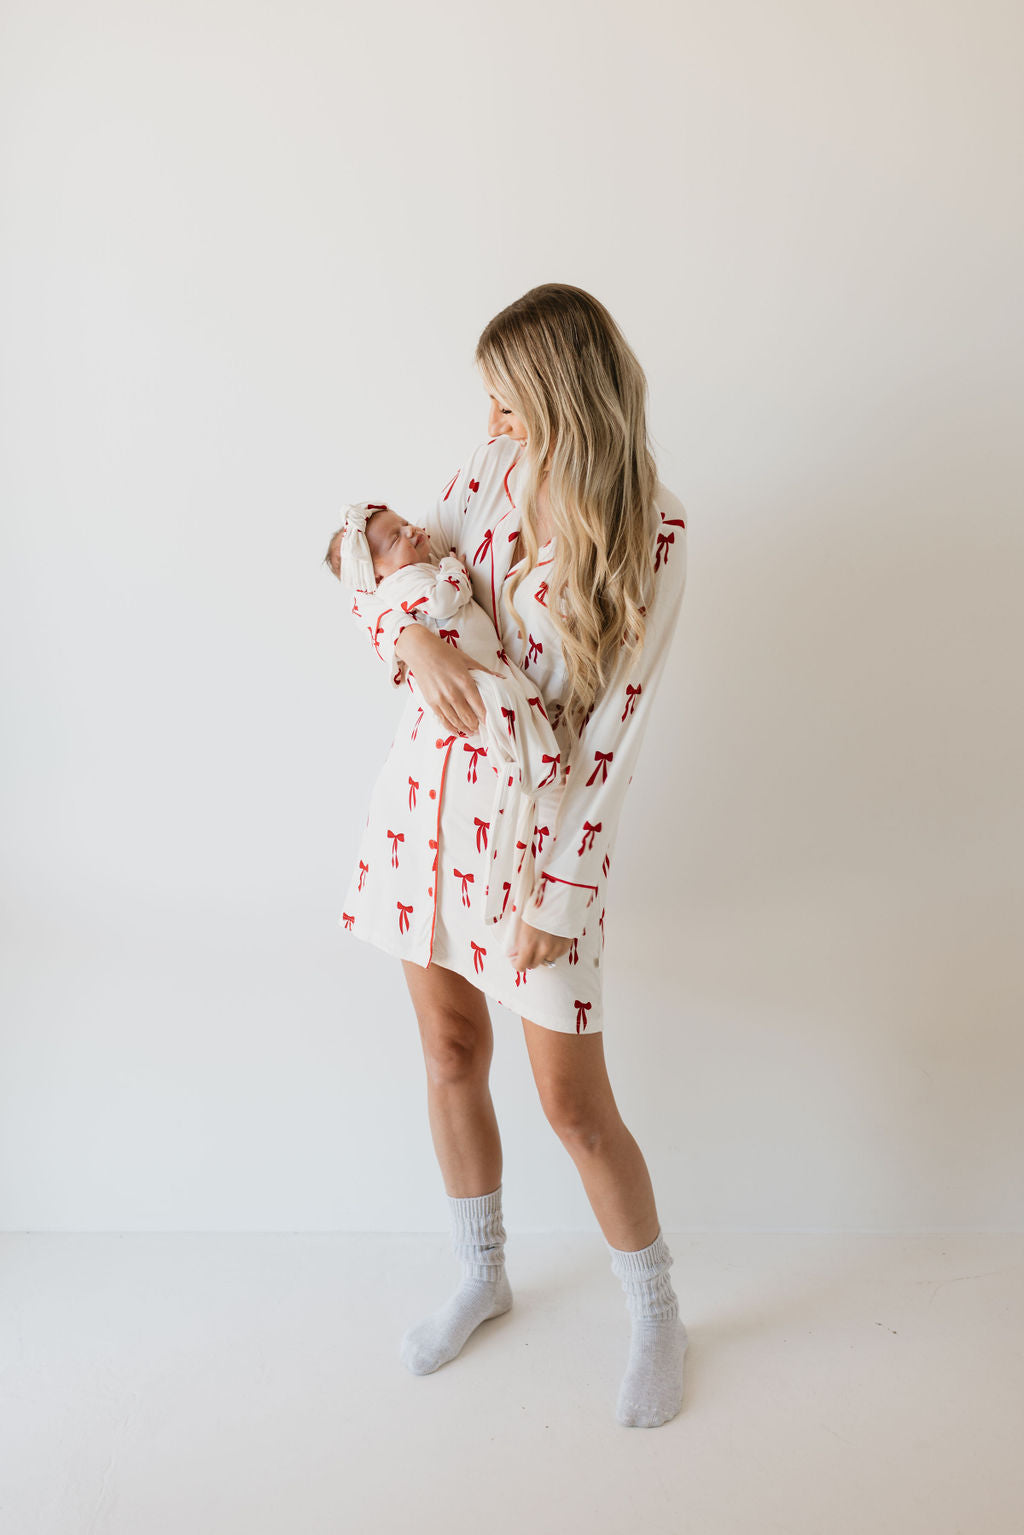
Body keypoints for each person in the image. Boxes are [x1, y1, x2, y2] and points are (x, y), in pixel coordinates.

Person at [337, 283, 689, 1428]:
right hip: (424, 814)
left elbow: (614, 738)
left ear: (556, 398)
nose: (486, 420)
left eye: (505, 399)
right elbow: (367, 551)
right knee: (447, 1046)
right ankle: (480, 1273)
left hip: (538, 848)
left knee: (573, 1103)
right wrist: (411, 638)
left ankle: (654, 1311)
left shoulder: (656, 530)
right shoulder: (482, 473)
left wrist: (561, 891)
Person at [325, 503, 565, 934]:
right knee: (527, 751)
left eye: (403, 524)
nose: (412, 532)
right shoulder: (410, 581)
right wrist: (453, 568)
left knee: (522, 740)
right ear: (376, 573)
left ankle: (537, 787)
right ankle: (543, 784)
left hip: (487, 674)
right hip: (477, 680)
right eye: (395, 538)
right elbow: (444, 598)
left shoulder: (401, 580)